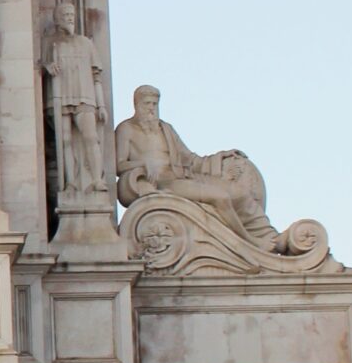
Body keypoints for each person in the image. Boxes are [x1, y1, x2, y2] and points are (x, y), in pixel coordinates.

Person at [114, 84, 281, 247]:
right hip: (163, 184)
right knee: (220, 197)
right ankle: (248, 242)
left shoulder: (165, 129)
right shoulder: (126, 129)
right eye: (146, 104)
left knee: (237, 192)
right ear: (136, 105)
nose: (151, 109)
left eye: (154, 104)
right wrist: (141, 164)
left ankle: (270, 237)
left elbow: (190, 159)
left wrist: (220, 157)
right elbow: (118, 165)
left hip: (182, 176)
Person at [42, 1, 106, 193]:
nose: (69, 18)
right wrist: (47, 66)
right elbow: (42, 65)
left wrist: (101, 105)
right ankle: (70, 181)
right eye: (65, 15)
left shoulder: (86, 43)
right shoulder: (51, 43)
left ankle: (96, 179)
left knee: (90, 137)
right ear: (57, 20)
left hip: (85, 96)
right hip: (59, 95)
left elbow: (96, 76)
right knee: (65, 141)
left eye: (71, 14)